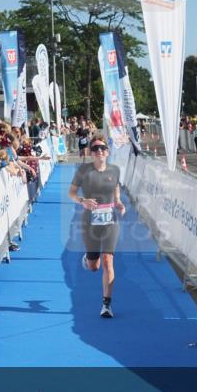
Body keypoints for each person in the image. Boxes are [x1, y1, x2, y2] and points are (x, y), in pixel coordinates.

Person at [68, 136, 126, 319]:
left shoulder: (114, 170)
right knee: (94, 266)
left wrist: (118, 201)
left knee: (108, 261)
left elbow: (116, 186)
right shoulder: (83, 171)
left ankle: (106, 305)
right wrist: (82, 201)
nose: (99, 151)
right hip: (89, 222)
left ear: (107, 151)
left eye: (102, 148)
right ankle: (89, 258)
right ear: (91, 152)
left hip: (110, 220)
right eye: (95, 148)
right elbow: (71, 193)